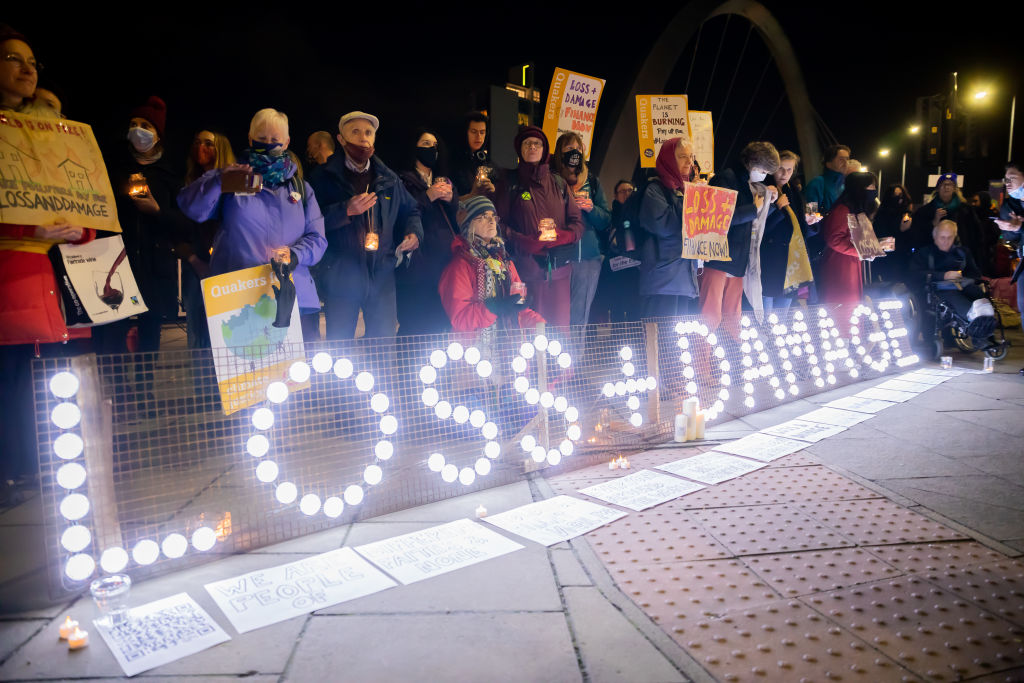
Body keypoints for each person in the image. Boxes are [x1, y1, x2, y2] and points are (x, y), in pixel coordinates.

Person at [0, 25, 97, 490]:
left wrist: (82, 228)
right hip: (12, 273)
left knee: (41, 377)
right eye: (13, 59)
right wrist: (27, 228)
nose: (26, 69)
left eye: (33, 61)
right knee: (12, 376)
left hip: (45, 277)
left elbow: (80, 201)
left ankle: (34, 464)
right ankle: (16, 467)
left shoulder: (53, 142)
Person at [178, 108, 327, 341]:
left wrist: (294, 255)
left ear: (287, 142)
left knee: (293, 376)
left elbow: (318, 239)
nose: (268, 145)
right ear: (250, 139)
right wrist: (218, 181)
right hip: (238, 297)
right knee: (244, 374)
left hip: (291, 297)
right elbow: (193, 209)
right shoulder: (231, 178)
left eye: (275, 140)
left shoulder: (301, 189)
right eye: (262, 139)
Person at [309, 111, 422, 340]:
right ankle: (340, 379)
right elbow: (309, 223)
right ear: (341, 139)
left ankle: (382, 378)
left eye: (368, 132)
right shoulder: (322, 177)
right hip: (341, 275)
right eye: (355, 132)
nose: (363, 138)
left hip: (382, 275)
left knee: (383, 345)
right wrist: (345, 211)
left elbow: (411, 210)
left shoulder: (389, 179)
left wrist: (414, 232)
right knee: (339, 346)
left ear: (374, 139)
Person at [96, 96, 187, 357]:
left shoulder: (169, 174)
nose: (138, 130)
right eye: (133, 124)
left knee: (150, 335)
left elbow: (183, 223)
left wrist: (158, 211)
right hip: (117, 264)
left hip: (155, 266)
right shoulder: (113, 168)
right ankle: (115, 392)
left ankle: (145, 392)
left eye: (146, 125)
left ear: (158, 135)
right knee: (113, 334)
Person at [492, 126, 583, 328]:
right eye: (527, 143)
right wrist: (522, 240)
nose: (532, 147)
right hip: (526, 270)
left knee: (559, 331)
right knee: (530, 331)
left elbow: (577, 223)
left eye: (537, 143)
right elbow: (497, 223)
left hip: (559, 271)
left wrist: (562, 236)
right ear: (520, 149)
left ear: (544, 150)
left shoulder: (559, 183)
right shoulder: (510, 183)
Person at [703, 141, 780, 333]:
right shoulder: (726, 178)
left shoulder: (750, 184)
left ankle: (732, 357)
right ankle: (702, 361)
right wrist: (754, 208)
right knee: (710, 317)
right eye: (762, 170)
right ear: (751, 163)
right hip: (718, 258)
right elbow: (719, 218)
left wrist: (768, 205)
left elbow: (751, 222)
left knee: (733, 318)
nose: (763, 175)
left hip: (738, 260)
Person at [439, 195, 543, 333]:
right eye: (483, 216)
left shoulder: (504, 261)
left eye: (493, 216)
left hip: (510, 348)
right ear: (468, 224)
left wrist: (542, 325)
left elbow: (519, 310)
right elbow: (460, 319)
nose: (492, 221)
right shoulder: (459, 266)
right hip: (475, 350)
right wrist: (492, 308)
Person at [396, 129, 459, 336]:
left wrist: (451, 200)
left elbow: (456, 217)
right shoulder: (402, 181)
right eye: (425, 143)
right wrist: (427, 196)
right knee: (415, 323)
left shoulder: (444, 180)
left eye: (434, 145)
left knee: (441, 322)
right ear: (414, 148)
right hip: (418, 264)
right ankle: (410, 367)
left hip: (444, 260)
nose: (431, 149)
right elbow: (401, 214)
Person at [178, 130, 236, 348]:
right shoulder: (187, 185)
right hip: (197, 269)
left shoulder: (234, 184)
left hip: (229, 268)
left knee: (229, 334)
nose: (201, 148)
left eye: (208, 144)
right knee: (198, 335)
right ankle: (201, 382)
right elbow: (179, 229)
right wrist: (194, 260)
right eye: (197, 142)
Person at [550, 132, 611, 328]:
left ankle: (575, 357)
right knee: (557, 315)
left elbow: (606, 220)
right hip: (559, 257)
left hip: (587, 259)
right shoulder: (551, 180)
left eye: (577, 148)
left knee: (579, 315)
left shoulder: (592, 181)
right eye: (568, 149)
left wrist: (591, 208)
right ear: (560, 153)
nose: (574, 153)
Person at [636, 137, 699, 318]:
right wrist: (689, 199)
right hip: (662, 280)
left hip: (682, 279)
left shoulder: (683, 189)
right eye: (682, 157)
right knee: (660, 339)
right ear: (669, 159)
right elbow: (663, 226)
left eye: (691, 156)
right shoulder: (654, 190)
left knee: (676, 340)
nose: (689, 162)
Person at [911, 219, 993, 342]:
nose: (946, 241)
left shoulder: (962, 252)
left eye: (949, 238)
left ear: (954, 237)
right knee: (952, 296)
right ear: (935, 237)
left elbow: (975, 273)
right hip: (937, 289)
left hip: (962, 285)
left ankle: (985, 323)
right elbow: (915, 274)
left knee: (976, 292)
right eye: (942, 237)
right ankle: (973, 316)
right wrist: (943, 276)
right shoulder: (924, 254)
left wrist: (963, 277)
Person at [819, 171, 894, 306]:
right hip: (840, 267)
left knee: (853, 307)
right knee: (844, 307)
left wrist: (876, 245)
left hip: (850, 264)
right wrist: (862, 251)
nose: (874, 190)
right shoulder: (842, 210)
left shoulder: (854, 209)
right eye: (871, 186)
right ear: (859, 188)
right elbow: (834, 239)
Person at [759, 150, 818, 317]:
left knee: (783, 312)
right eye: (781, 169)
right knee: (766, 306)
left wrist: (811, 223)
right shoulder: (763, 188)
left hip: (792, 259)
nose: (785, 174)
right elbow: (757, 228)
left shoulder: (795, 193)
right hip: (771, 257)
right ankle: (765, 340)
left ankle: (776, 341)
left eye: (790, 170)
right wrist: (776, 209)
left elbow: (801, 229)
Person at [909, 174, 986, 270]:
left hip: (960, 260)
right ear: (937, 188)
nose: (946, 187)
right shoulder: (925, 211)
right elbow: (917, 235)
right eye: (943, 184)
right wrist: (933, 223)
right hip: (934, 261)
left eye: (950, 184)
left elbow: (977, 235)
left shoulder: (966, 210)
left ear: (955, 189)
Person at [994, 161, 1023, 335]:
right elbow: (1011, 238)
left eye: (1013, 178)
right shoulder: (1010, 205)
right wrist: (1008, 228)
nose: (1009, 183)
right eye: (1006, 179)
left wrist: (1020, 227)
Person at [871, 185, 914, 283]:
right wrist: (900, 230)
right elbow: (881, 238)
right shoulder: (882, 214)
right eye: (895, 195)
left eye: (900, 194)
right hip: (887, 262)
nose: (899, 198)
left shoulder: (906, 214)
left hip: (904, 260)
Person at [452, 111, 490, 197]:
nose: (478, 137)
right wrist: (472, 194)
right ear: (465, 132)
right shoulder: (453, 159)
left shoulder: (484, 159)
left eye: (482, 132)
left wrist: (493, 189)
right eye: (474, 132)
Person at [804, 144, 851, 214]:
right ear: (828, 163)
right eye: (841, 159)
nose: (845, 163)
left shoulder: (847, 184)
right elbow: (811, 214)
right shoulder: (817, 183)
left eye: (847, 159)